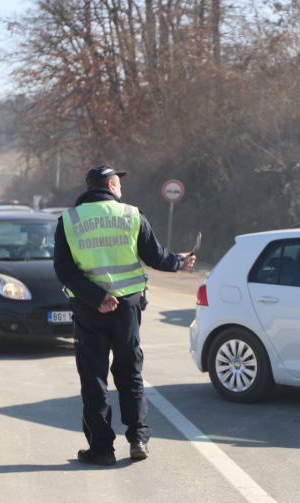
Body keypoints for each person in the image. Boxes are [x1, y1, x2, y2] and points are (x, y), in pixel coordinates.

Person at [53, 164, 196, 466]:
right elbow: (156, 257)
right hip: (127, 309)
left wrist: (97, 296)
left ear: (90, 188)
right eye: (119, 185)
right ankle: (138, 439)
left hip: (90, 310)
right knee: (130, 374)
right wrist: (179, 262)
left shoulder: (68, 220)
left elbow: (64, 271)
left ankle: (102, 449)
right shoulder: (132, 215)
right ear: (112, 185)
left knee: (94, 379)